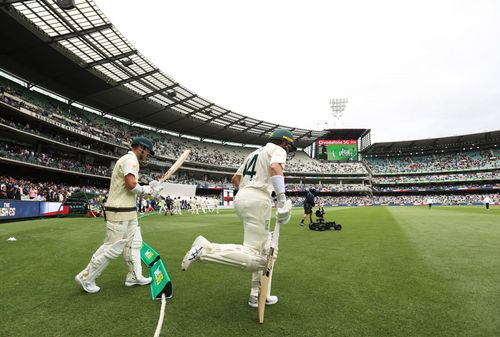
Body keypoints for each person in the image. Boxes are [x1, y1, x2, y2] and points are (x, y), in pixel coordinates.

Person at [180, 129, 295, 308]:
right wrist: (281, 200)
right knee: (260, 258)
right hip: (258, 199)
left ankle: (256, 294)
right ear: (284, 142)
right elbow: (275, 168)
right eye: (288, 146)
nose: (288, 150)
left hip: (243, 196)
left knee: (264, 249)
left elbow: (235, 178)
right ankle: (205, 251)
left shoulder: (254, 154)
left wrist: (248, 193)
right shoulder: (276, 149)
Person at [75, 137, 163, 293]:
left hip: (128, 210)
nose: (148, 155)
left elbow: (131, 187)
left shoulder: (130, 160)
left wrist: (149, 188)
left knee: (135, 244)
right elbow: (131, 185)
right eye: (148, 151)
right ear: (141, 148)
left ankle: (134, 276)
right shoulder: (130, 160)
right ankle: (86, 277)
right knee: (112, 247)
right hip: (119, 210)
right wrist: (148, 190)